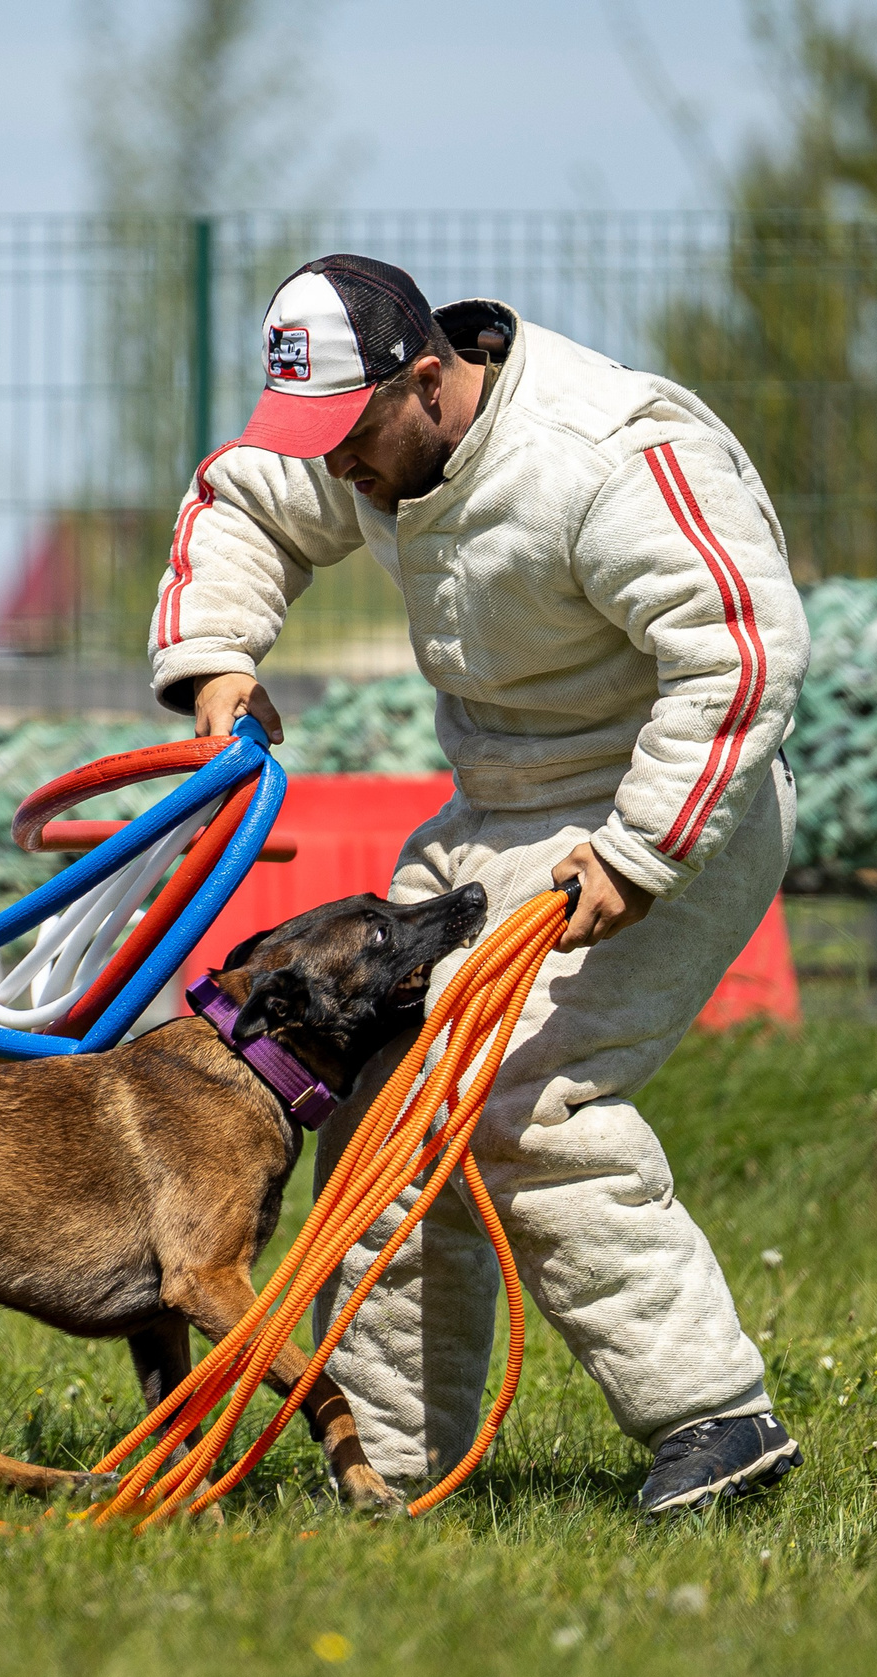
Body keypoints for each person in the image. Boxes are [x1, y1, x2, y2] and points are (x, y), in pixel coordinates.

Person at [147, 254, 809, 1518]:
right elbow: (242, 500)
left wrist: (640, 848)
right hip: (493, 815)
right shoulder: (371, 435)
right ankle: (394, 1467)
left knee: (519, 1103)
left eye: (347, 437)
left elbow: (740, 656)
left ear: (431, 379)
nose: (334, 467)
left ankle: (715, 1421)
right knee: (385, 1110)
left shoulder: (604, 455)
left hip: (671, 807)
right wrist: (218, 662)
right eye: (315, 437)